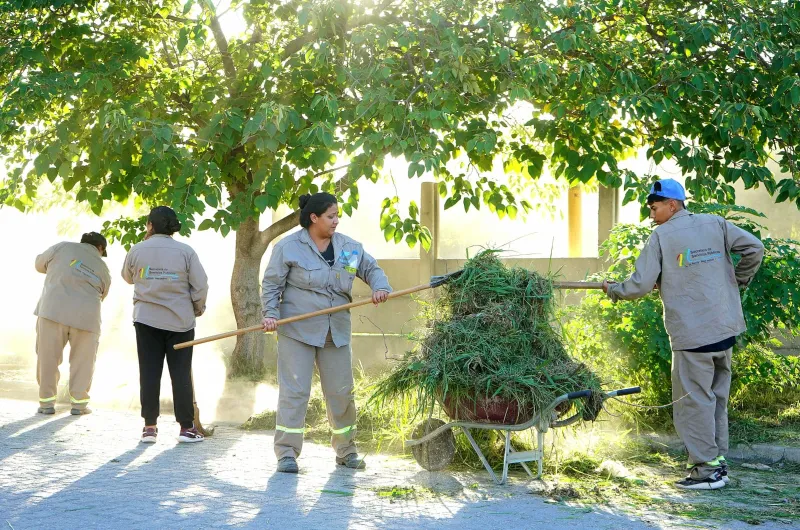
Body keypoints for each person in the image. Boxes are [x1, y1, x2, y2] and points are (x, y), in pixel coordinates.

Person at [602, 179, 764, 490]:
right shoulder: (715, 223)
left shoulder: (661, 235)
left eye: (654, 207)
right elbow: (755, 248)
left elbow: (639, 284)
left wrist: (614, 290)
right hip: (725, 330)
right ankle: (717, 464)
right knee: (715, 400)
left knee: (693, 403)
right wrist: (738, 282)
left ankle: (705, 471)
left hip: (693, 336)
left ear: (673, 205)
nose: (651, 214)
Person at [261, 192, 392, 474]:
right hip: (298, 330)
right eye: (331, 216)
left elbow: (371, 269)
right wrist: (271, 314)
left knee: (341, 392)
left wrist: (380, 287)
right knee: (295, 391)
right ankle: (287, 453)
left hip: (336, 331)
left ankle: (346, 450)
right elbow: (271, 285)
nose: (336, 221)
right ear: (314, 218)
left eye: (337, 216)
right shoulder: (288, 247)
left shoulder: (347, 247)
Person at [122, 206, 209, 444]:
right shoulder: (186, 251)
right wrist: (197, 308)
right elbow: (200, 285)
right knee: (180, 374)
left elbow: (128, 277)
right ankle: (186, 428)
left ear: (150, 225)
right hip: (180, 323)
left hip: (146, 320)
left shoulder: (137, 249)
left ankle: (149, 428)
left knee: (149, 373)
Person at [33, 232, 111, 415]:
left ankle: (46, 404)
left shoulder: (61, 247)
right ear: (100, 248)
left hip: (52, 312)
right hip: (87, 319)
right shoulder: (102, 266)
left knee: (47, 358)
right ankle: (79, 405)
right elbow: (103, 293)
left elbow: (38, 265)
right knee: (83, 362)